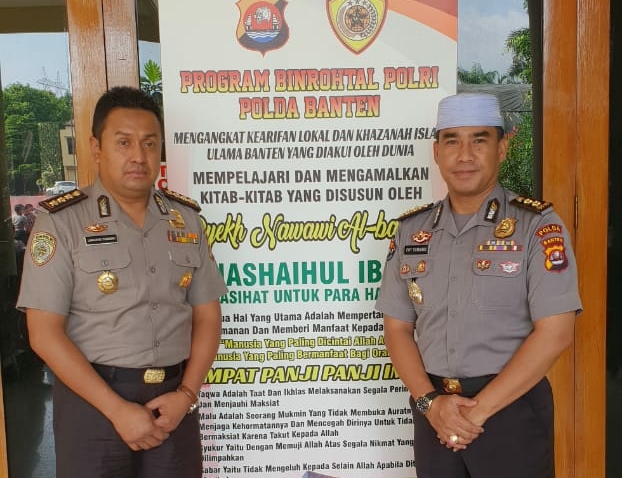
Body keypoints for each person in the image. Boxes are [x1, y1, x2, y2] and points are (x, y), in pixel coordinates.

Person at [17, 86, 228, 478]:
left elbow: (208, 317)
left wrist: (187, 395)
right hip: (92, 403)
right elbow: (43, 333)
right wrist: (116, 409)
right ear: (96, 148)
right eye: (123, 142)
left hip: (172, 404)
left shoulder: (186, 221)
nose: (138, 156)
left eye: (149, 143)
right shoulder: (62, 222)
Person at [375, 93, 582, 478]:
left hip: (511, 413)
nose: (465, 155)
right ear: (436, 152)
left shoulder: (536, 226)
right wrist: (431, 404)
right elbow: (397, 328)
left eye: (479, 140)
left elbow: (556, 333)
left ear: (501, 148)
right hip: (434, 414)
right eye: (452, 141)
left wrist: (476, 413)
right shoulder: (410, 232)